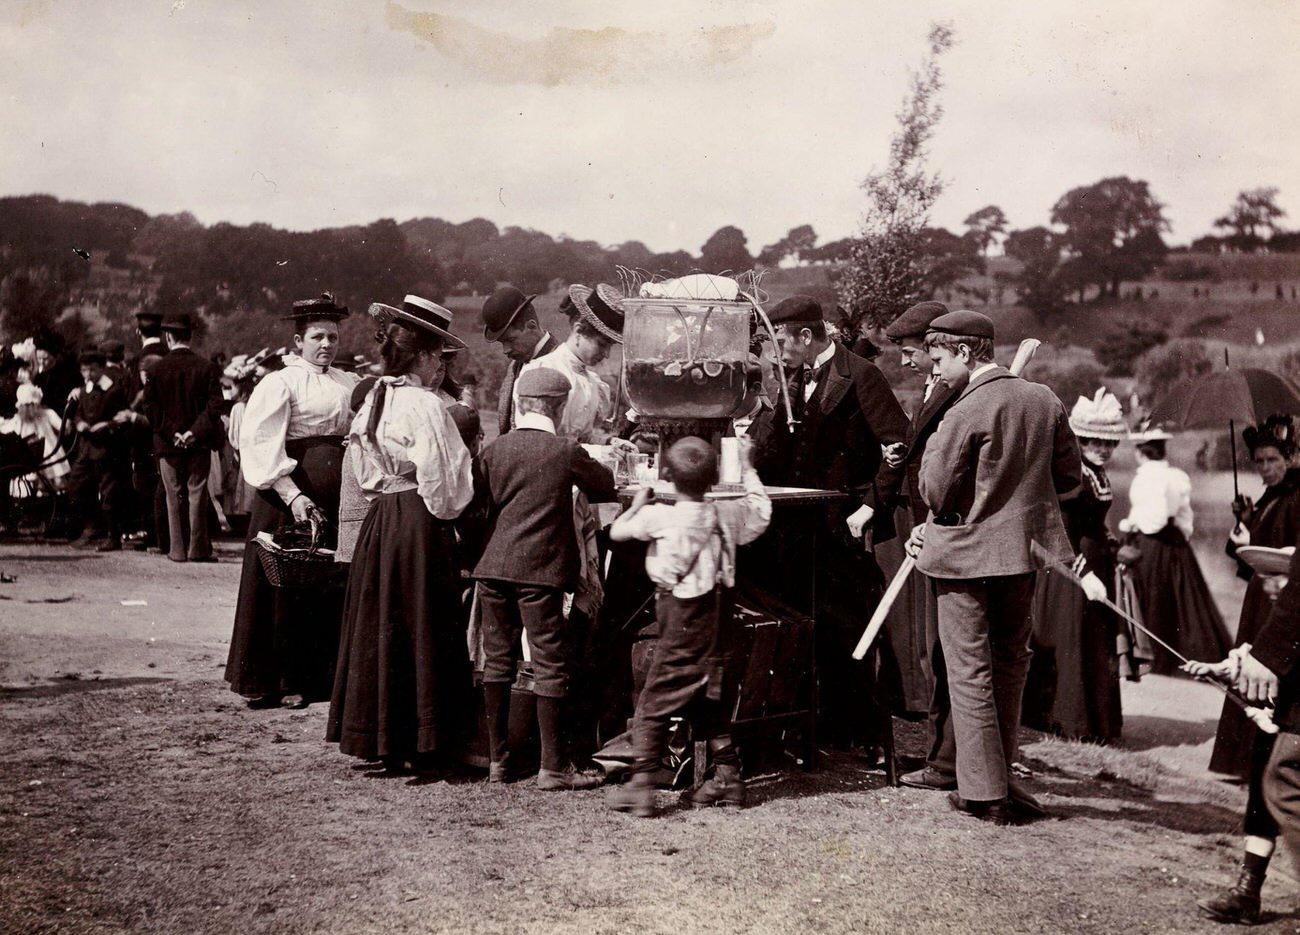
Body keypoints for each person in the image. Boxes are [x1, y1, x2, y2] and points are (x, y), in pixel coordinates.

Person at [911, 310, 1087, 825]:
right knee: (1010, 664)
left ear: (966, 353)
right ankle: (999, 780)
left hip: (963, 558)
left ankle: (984, 794)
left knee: (969, 671)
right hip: (1022, 558)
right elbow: (1070, 477)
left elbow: (934, 489)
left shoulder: (963, 408)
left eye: (939, 359)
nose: (936, 372)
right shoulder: (1044, 399)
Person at [751, 294, 908, 753]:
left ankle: (855, 731)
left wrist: (872, 507)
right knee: (802, 624)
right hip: (797, 528)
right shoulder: (793, 377)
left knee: (844, 627)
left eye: (780, 340)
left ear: (805, 336)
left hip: (841, 528)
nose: (776, 350)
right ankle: (807, 727)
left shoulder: (861, 375)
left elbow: (897, 446)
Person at [327, 297, 475, 771]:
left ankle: (381, 736)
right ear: (425, 357)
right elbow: (447, 479)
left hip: (383, 516)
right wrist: (450, 515)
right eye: (440, 359)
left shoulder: (376, 396)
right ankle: (424, 739)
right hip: (417, 519)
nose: (441, 369)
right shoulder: (425, 404)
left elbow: (363, 468)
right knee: (422, 618)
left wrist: (388, 494)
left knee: (382, 619)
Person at [605, 436, 772, 817]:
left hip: (681, 619)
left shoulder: (660, 517)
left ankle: (642, 786)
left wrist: (634, 506)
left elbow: (616, 534)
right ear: (714, 478)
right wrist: (748, 467)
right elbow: (761, 512)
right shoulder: (728, 514)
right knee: (707, 696)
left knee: (653, 702)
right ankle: (728, 776)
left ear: (667, 476)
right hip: (720, 621)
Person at [472, 367, 618, 790]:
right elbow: (606, 486)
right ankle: (552, 767)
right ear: (558, 406)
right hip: (540, 570)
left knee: (497, 660)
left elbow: (479, 504)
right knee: (549, 660)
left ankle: (499, 762)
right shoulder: (564, 449)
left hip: (493, 567)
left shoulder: (495, 449)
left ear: (519, 403)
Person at [226, 293, 360, 709]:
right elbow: (261, 443)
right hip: (288, 498)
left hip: (334, 498)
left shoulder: (347, 382)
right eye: (317, 337)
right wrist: (294, 495)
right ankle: (272, 678)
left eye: (333, 337)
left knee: (322, 585)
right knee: (284, 584)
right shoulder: (280, 382)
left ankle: (314, 677)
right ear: (298, 341)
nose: (326, 345)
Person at [875, 300, 967, 792]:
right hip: (924, 523)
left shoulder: (961, 393)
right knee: (937, 648)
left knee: (947, 649)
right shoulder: (937, 389)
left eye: (914, 352)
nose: (909, 362)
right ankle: (943, 756)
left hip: (944, 528)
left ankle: (949, 761)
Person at [1023, 388, 1130, 743]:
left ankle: (1098, 723)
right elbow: (1063, 530)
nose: (1103, 449)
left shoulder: (1097, 472)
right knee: (1071, 641)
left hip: (1097, 563)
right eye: (1094, 441)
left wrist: (1110, 540)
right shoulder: (1074, 475)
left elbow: (1095, 521)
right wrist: (1083, 574)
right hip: (1069, 570)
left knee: (1094, 641)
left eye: (1109, 443)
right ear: (1079, 439)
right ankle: (1067, 721)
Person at [1210, 416, 1300, 778]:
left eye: (1272, 460)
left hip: (1283, 601)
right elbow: (1248, 557)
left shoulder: (1297, 496)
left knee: (1269, 669)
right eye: (1259, 461)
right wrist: (1245, 523)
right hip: (1258, 597)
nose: (1264, 469)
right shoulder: (1271, 496)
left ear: (1290, 457)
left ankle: (1265, 761)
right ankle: (1246, 760)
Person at [1214, 546, 1300, 924]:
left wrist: (1269, 655)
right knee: (1269, 764)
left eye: (1274, 576)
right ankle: (1248, 888)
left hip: (1284, 644)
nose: (1266, 583)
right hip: (1278, 647)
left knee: (1283, 774)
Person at [1119, 429, 1231, 675]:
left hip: (1152, 542)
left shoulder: (1146, 478)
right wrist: (1180, 534)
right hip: (1175, 542)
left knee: (1152, 597)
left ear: (1140, 453)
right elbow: (1184, 516)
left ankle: (1156, 657)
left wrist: (1129, 525)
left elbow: (1153, 519)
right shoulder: (1176, 476)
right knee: (1179, 598)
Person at [139, 313, 223, 563]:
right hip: (199, 443)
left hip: (167, 443)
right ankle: (198, 549)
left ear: (168, 337)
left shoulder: (155, 369)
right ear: (190, 337)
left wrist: (172, 432)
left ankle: (176, 550)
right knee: (197, 493)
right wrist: (193, 433)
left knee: (172, 494)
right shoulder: (207, 367)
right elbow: (215, 405)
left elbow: (150, 408)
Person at [514, 284, 621, 444]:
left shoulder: (592, 382)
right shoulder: (543, 371)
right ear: (579, 331)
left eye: (610, 346)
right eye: (602, 344)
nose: (607, 354)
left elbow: (582, 439)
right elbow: (534, 442)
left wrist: (609, 443)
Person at [65, 347, 131, 551]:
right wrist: (79, 423)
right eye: (84, 371)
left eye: (92, 370)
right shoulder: (85, 389)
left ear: (101, 368)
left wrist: (108, 425)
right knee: (76, 486)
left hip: (107, 449)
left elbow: (123, 418)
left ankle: (113, 536)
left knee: (109, 492)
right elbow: (78, 413)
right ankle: (92, 527)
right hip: (86, 449)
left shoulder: (113, 390)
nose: (88, 375)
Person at [481, 285, 556, 437]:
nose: (505, 350)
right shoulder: (515, 366)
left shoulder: (559, 363)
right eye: (502, 343)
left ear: (531, 326)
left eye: (510, 340)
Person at [0, 382, 69, 496]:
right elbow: (8, 428)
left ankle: (49, 491)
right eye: (25, 406)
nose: (28, 409)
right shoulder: (19, 419)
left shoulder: (47, 414)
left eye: (31, 405)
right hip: (29, 453)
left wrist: (65, 427)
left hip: (48, 452)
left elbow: (63, 427)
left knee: (51, 473)